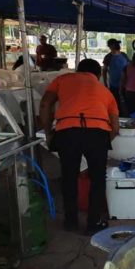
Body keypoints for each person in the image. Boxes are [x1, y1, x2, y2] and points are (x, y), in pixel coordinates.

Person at [40, 59, 119, 234]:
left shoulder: (63, 80)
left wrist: (48, 132)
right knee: (98, 179)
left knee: (69, 176)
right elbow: (115, 126)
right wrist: (104, 140)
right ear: (98, 75)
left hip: (67, 132)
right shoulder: (105, 91)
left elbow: (45, 104)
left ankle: (70, 222)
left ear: (77, 70)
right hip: (97, 133)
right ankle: (93, 223)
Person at [102, 39, 130, 116]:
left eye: (109, 45)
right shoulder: (108, 57)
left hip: (125, 84)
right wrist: (105, 83)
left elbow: (129, 67)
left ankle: (125, 116)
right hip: (114, 84)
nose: (109, 47)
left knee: (125, 102)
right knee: (116, 103)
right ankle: (118, 116)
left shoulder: (124, 55)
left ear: (112, 46)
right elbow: (104, 71)